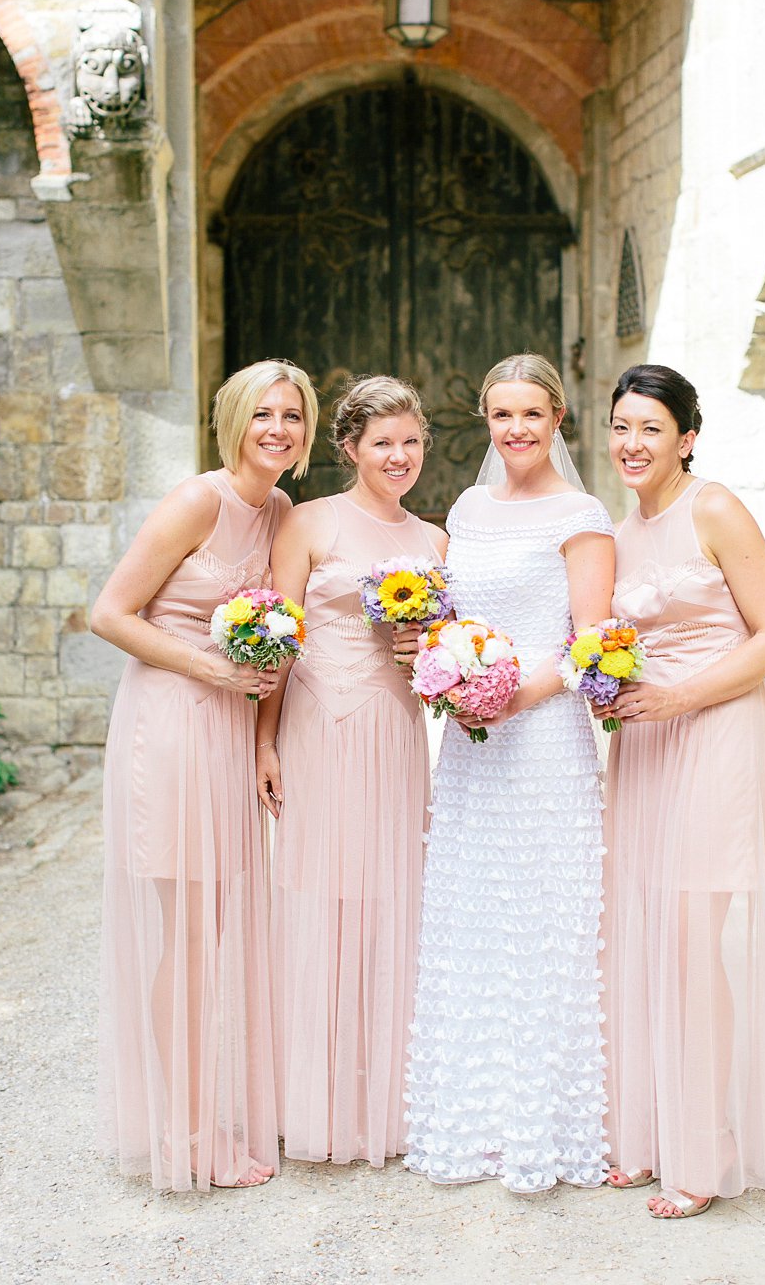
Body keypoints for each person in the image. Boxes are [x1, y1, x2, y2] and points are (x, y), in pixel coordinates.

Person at [92, 358, 319, 1191]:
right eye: (263, 414)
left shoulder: (282, 509)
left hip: (227, 731)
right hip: (173, 723)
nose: (279, 430)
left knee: (211, 931)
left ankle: (192, 1117)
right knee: (187, 935)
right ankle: (185, 1136)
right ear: (233, 421)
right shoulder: (198, 500)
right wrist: (213, 670)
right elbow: (109, 613)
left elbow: (283, 636)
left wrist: (261, 738)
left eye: (293, 416)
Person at [405, 353, 616, 1193]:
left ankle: (543, 1123)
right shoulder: (466, 506)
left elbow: (591, 641)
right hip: (471, 743)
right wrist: (451, 673)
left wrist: (510, 694)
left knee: (543, 915)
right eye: (502, 416)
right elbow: (451, 618)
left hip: (545, 737)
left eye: (533, 414)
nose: (517, 430)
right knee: (473, 914)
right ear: (486, 422)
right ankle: (472, 1117)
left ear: (558, 418)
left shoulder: (583, 513)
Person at [596, 363, 765, 1219]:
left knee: (689, 935)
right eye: (620, 427)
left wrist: (681, 695)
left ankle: (707, 1146)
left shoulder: (713, 508)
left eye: (650, 428)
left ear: (686, 439)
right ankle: (652, 1133)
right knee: (641, 934)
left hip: (714, 734)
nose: (632, 444)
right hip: (645, 748)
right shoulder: (617, 533)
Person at [259, 376, 447, 1168]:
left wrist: (426, 653)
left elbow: (443, 656)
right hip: (314, 724)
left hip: (393, 730)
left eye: (409, 443)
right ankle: (313, 1100)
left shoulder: (436, 542)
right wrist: (262, 742)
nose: (397, 456)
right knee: (320, 897)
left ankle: (384, 1103)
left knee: (389, 900)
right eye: (382, 444)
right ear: (350, 450)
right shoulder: (308, 524)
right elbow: (275, 638)